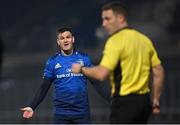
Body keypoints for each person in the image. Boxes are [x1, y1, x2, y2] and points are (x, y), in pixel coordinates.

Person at [72, 1, 165, 124]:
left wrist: (81, 69)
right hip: (144, 102)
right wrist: (156, 100)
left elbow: (102, 73)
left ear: (121, 18)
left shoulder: (115, 40)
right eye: (103, 19)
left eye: (107, 19)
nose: (104, 24)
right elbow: (159, 71)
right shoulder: (144, 39)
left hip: (125, 102)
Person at [21, 27, 95, 124]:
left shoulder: (84, 58)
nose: (65, 40)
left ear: (73, 39)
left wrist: (112, 100)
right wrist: (32, 106)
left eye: (68, 37)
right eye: (62, 38)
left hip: (82, 113)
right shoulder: (52, 61)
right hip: (61, 115)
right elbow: (44, 87)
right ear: (58, 42)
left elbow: (97, 82)